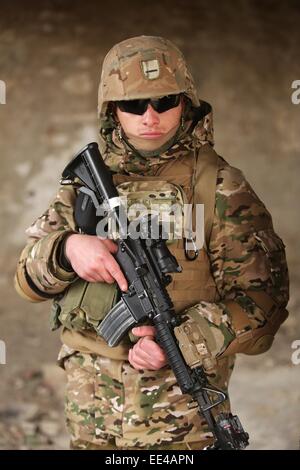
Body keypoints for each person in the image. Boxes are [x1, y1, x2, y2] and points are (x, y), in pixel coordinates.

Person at [14, 35, 289, 450]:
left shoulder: (219, 185)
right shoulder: (84, 185)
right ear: (112, 110)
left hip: (182, 417)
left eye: (164, 102)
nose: (149, 116)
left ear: (186, 103)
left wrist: (183, 342)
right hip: (92, 412)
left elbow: (264, 303)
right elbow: (25, 280)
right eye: (133, 104)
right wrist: (67, 250)